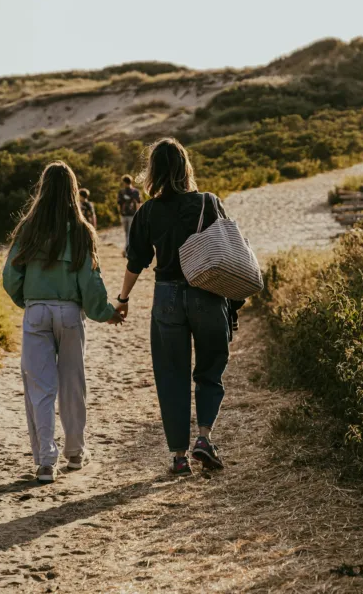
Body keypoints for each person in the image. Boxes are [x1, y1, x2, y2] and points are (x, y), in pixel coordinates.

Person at [114, 137, 234, 476]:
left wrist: (123, 300)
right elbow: (228, 254)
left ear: (153, 171)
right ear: (186, 167)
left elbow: (136, 261)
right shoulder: (209, 203)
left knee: (171, 375)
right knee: (210, 368)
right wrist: (233, 305)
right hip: (207, 294)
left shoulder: (147, 211)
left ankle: (179, 457)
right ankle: (205, 439)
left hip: (166, 297)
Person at [2, 161, 124, 484]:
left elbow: (10, 277)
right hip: (70, 314)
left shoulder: (28, 229)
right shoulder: (82, 230)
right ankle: (75, 452)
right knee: (73, 384)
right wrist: (106, 311)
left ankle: (45, 462)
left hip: (36, 312)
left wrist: (27, 302)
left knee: (41, 388)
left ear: (42, 190)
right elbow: (91, 283)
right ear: (73, 191)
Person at [116, 175, 141, 255]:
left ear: (125, 182)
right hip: (126, 215)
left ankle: (127, 251)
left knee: (129, 233)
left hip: (131, 215)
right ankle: (129, 249)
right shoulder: (122, 192)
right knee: (127, 233)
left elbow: (138, 203)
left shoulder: (134, 191)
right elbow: (119, 204)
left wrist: (138, 215)